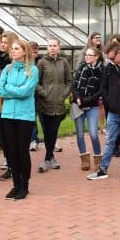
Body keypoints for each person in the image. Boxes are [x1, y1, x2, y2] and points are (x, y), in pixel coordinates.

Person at [87, 42, 120, 181]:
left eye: (113, 58)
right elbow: (104, 87)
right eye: (109, 58)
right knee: (109, 141)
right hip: (113, 112)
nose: (111, 60)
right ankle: (103, 169)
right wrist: (108, 101)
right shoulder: (108, 68)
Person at [0, 39, 39, 200]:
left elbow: (26, 92)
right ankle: (15, 185)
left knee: (22, 152)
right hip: (7, 115)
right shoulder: (7, 69)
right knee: (12, 152)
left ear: (24, 51)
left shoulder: (33, 70)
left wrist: (10, 89)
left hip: (24, 117)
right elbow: (0, 89)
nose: (12, 51)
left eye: (16, 49)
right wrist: (16, 90)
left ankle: (24, 186)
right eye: (12, 49)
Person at [35, 38, 72, 172]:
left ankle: (48, 158)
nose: (52, 48)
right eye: (50, 46)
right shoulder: (41, 62)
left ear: (59, 47)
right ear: (47, 48)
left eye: (54, 46)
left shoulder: (64, 62)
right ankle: (49, 158)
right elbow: (36, 82)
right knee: (47, 132)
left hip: (59, 104)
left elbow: (69, 81)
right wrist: (44, 93)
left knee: (54, 132)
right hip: (45, 104)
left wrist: (64, 94)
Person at [72, 46, 104, 171]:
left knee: (93, 134)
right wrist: (78, 98)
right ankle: (84, 160)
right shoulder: (81, 68)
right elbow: (74, 85)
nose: (87, 57)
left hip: (92, 105)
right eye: (86, 55)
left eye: (90, 55)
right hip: (78, 104)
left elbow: (101, 90)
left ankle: (97, 160)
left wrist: (87, 100)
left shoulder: (101, 70)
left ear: (96, 57)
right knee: (80, 134)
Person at [0, 32, 18, 180]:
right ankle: (9, 163)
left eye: (6, 42)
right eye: (1, 42)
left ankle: (13, 167)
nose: (2, 44)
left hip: (11, 103)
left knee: (11, 137)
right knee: (2, 136)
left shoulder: (13, 62)